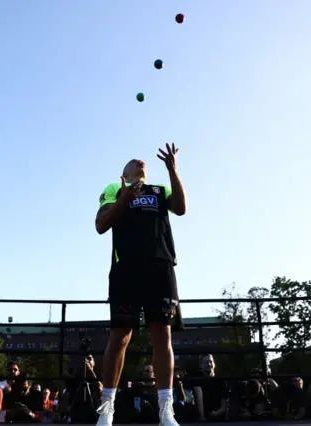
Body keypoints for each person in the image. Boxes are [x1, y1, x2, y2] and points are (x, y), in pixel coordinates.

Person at [94, 144, 187, 426]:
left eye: (142, 162)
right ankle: (107, 407)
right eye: (133, 161)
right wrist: (125, 198)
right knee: (120, 336)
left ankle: (165, 409)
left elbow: (181, 209)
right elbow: (101, 224)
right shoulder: (115, 188)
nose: (140, 162)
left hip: (160, 267)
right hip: (126, 269)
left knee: (163, 336)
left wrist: (173, 170)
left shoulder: (160, 190)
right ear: (125, 173)